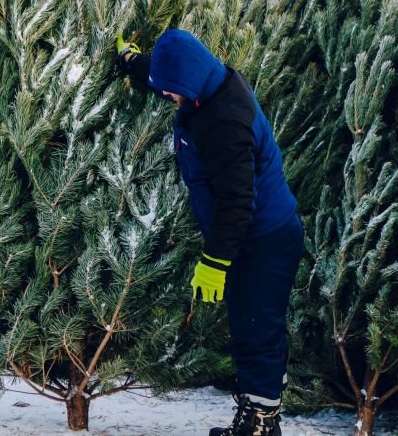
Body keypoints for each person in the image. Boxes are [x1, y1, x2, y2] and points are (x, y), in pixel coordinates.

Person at [116, 30, 304, 436]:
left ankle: (260, 427)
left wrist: (215, 263)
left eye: (173, 92)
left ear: (190, 84)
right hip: (252, 238)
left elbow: (238, 202)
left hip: (265, 239)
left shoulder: (227, 122)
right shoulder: (204, 82)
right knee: (249, 329)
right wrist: (131, 61)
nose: (168, 98)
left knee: (257, 332)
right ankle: (256, 417)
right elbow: (164, 74)